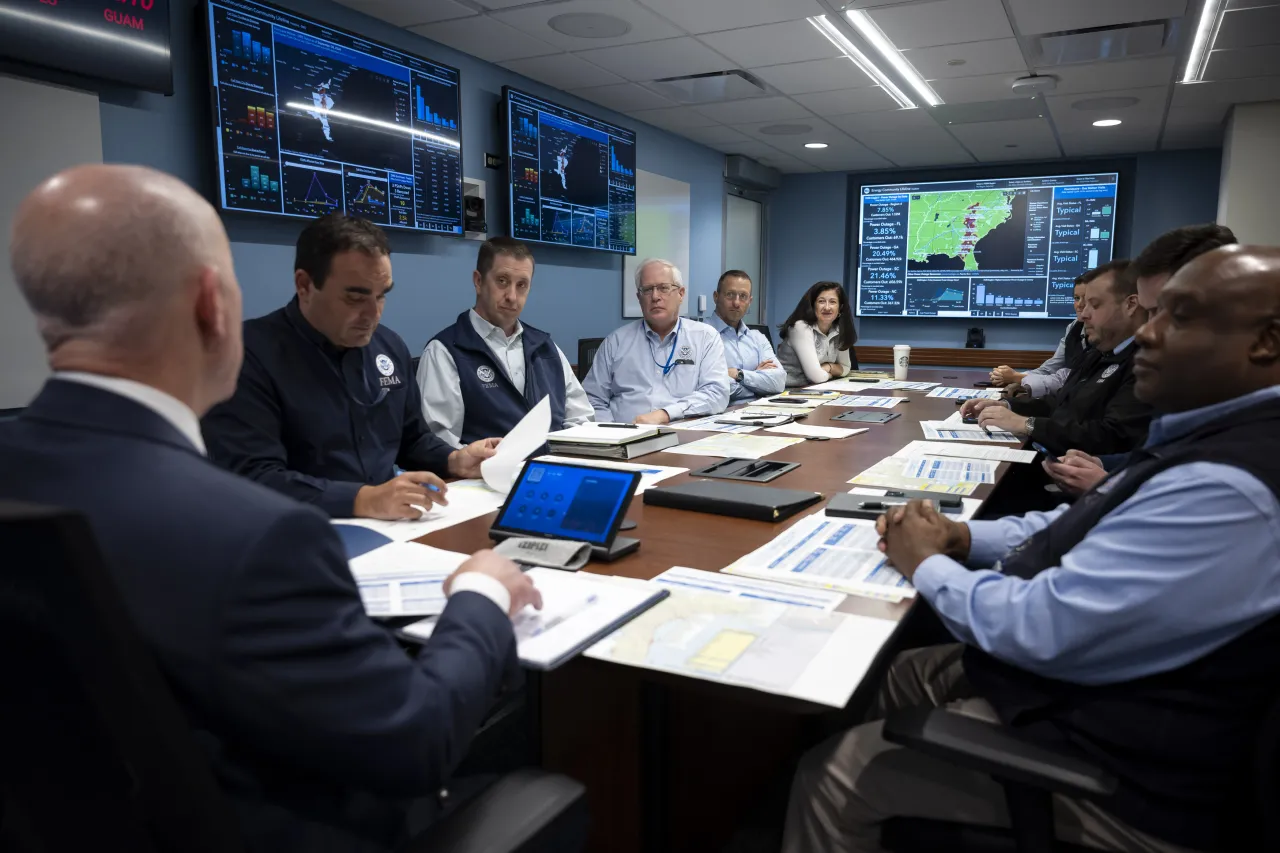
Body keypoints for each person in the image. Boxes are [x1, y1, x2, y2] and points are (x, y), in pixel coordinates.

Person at [0, 165, 545, 852]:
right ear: (212, 302)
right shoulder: (260, 536)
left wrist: (452, 455)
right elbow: (414, 740)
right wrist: (478, 592)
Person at [784, 243, 1280, 853]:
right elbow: (1085, 522)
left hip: (1123, 766)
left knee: (832, 776)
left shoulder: (1231, 485)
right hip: (1087, 689)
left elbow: (1040, 626)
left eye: (1175, 316)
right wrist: (963, 535)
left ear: (1267, 342)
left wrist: (930, 562)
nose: (1145, 335)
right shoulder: (1209, 435)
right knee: (895, 673)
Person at [202, 213, 500, 521]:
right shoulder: (247, 354)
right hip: (293, 531)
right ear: (304, 285)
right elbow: (252, 478)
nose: (373, 315)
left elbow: (411, 439)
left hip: (392, 530)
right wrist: (364, 500)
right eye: (354, 297)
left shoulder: (389, 347)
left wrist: (455, 460)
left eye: (381, 296)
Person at [1045, 223, 1238, 496]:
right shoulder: (1188, 390)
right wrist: (1102, 466)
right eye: (1150, 313)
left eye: (1173, 312)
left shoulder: (1250, 428)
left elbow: (1178, 515)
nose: (1146, 331)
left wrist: (1107, 486)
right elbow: (1157, 462)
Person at [962, 260, 1151, 457]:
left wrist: (1026, 424)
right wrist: (1007, 406)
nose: (1083, 315)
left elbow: (1111, 436)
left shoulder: (1146, 363)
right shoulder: (1098, 351)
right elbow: (1060, 402)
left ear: (1130, 305)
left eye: (1094, 305)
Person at [417, 237, 593, 447]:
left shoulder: (546, 348)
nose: (512, 296)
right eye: (502, 281)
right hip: (483, 476)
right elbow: (439, 445)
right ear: (478, 281)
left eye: (521, 285)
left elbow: (581, 420)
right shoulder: (445, 351)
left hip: (551, 471)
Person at [583, 258, 729, 424]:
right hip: (624, 439)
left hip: (683, 437)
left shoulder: (705, 337)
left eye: (663, 288)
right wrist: (613, 434)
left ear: (681, 294)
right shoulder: (615, 342)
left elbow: (717, 394)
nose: (655, 296)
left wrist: (665, 414)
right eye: (647, 290)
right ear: (639, 297)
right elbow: (592, 400)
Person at [990, 278, 1089, 397]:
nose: (1079, 304)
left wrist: (1017, 378)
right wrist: (1018, 377)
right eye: (1076, 298)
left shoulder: (1103, 335)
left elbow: (1068, 379)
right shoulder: (1074, 327)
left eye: (1087, 299)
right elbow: (1050, 368)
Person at [706, 269, 785, 402]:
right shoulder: (701, 335)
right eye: (730, 295)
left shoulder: (758, 337)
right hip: (719, 414)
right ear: (716, 296)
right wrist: (758, 384)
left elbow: (778, 382)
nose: (736, 303)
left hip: (760, 412)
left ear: (750, 301)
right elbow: (716, 388)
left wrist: (739, 374)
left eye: (743, 296)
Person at [776, 281, 858, 387]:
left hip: (815, 388)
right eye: (821, 301)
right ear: (813, 305)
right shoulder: (801, 327)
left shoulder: (839, 329)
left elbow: (846, 367)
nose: (827, 307)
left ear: (840, 308)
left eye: (833, 302)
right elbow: (816, 377)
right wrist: (831, 373)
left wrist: (828, 367)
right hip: (787, 390)